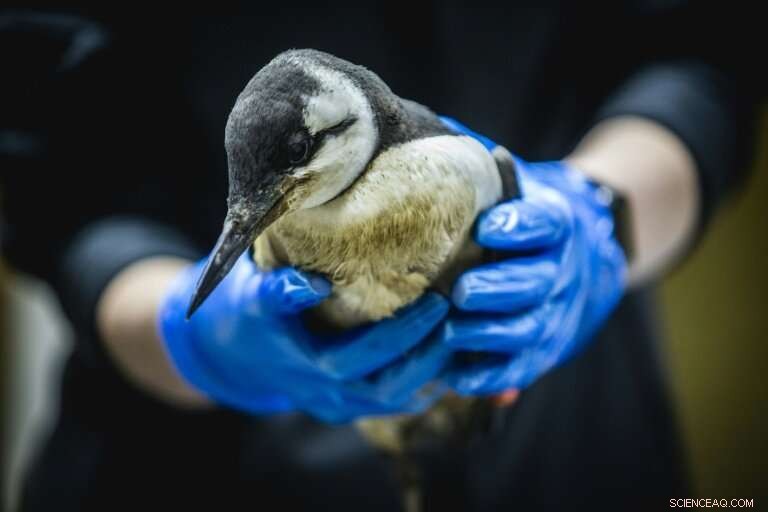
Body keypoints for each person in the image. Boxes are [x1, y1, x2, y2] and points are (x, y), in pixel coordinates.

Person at [1, 4, 760, 511]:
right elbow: (54, 177)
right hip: (188, 471)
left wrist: (602, 215)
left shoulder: (446, 162)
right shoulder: (277, 217)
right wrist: (186, 337)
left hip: (569, 443)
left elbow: (707, 49)